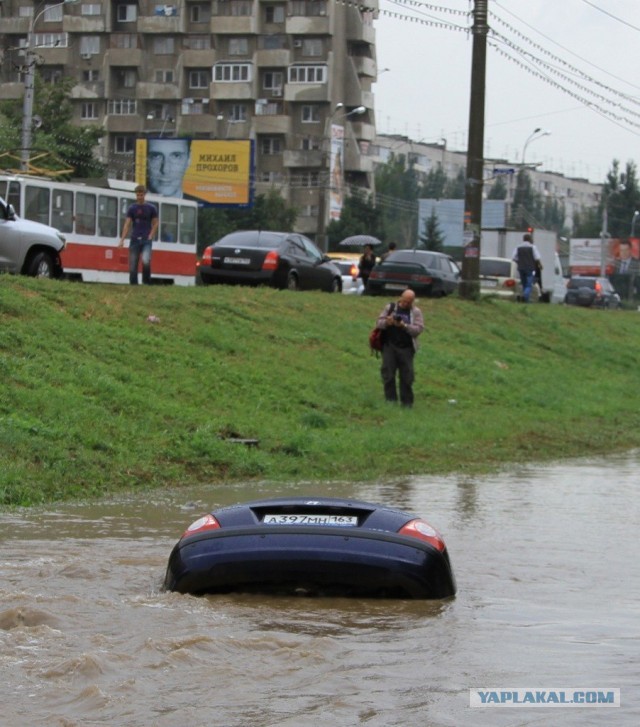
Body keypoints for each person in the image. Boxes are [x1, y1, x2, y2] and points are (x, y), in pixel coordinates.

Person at [375, 289, 424, 408]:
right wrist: (388, 322)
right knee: (388, 374)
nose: (406, 304)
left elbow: (418, 329)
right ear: (400, 298)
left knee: (407, 377)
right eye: (404, 301)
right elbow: (378, 323)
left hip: (406, 348)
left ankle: (407, 403)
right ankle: (390, 401)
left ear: (412, 302)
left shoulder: (416, 312)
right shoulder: (390, 308)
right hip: (389, 346)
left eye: (409, 302)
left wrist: (404, 326)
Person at [118, 185, 159, 285]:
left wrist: (151, 235)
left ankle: (146, 282)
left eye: (141, 195)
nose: (139, 197)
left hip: (146, 239)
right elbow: (127, 224)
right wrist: (122, 239)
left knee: (146, 260)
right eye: (138, 195)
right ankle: (133, 284)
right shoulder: (132, 208)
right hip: (135, 238)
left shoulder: (151, 208)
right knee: (133, 264)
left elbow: (155, 223)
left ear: (144, 195)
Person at [512, 233, 542, 302]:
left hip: (521, 268)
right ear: (530, 239)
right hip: (529, 268)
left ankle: (526, 300)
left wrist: (519, 261)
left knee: (524, 283)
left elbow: (513, 257)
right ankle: (525, 295)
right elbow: (537, 257)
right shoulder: (533, 247)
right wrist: (540, 265)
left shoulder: (518, 247)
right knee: (529, 284)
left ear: (523, 239)